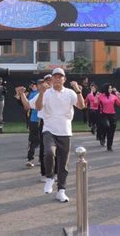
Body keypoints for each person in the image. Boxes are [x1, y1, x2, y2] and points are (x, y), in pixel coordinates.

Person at [25, 68, 85, 203]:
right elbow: (38, 107)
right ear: (51, 79)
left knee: (63, 163)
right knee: (48, 153)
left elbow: (81, 106)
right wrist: (41, 93)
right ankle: (50, 177)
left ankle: (61, 191)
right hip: (49, 129)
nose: (58, 78)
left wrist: (78, 90)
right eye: (55, 76)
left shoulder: (70, 93)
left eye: (60, 76)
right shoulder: (46, 93)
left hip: (65, 130)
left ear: (64, 79)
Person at [97, 83, 120, 151]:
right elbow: (95, 103)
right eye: (109, 88)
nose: (110, 89)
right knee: (106, 126)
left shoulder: (114, 96)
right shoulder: (101, 96)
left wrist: (119, 97)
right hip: (104, 114)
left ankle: (109, 146)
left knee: (111, 131)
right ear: (106, 89)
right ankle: (102, 136)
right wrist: (96, 97)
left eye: (111, 88)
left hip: (112, 115)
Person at [21, 81, 41, 168]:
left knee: (36, 141)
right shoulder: (35, 94)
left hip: (36, 120)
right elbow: (27, 105)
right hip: (36, 120)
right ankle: (31, 159)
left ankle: (31, 159)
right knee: (37, 140)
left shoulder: (33, 94)